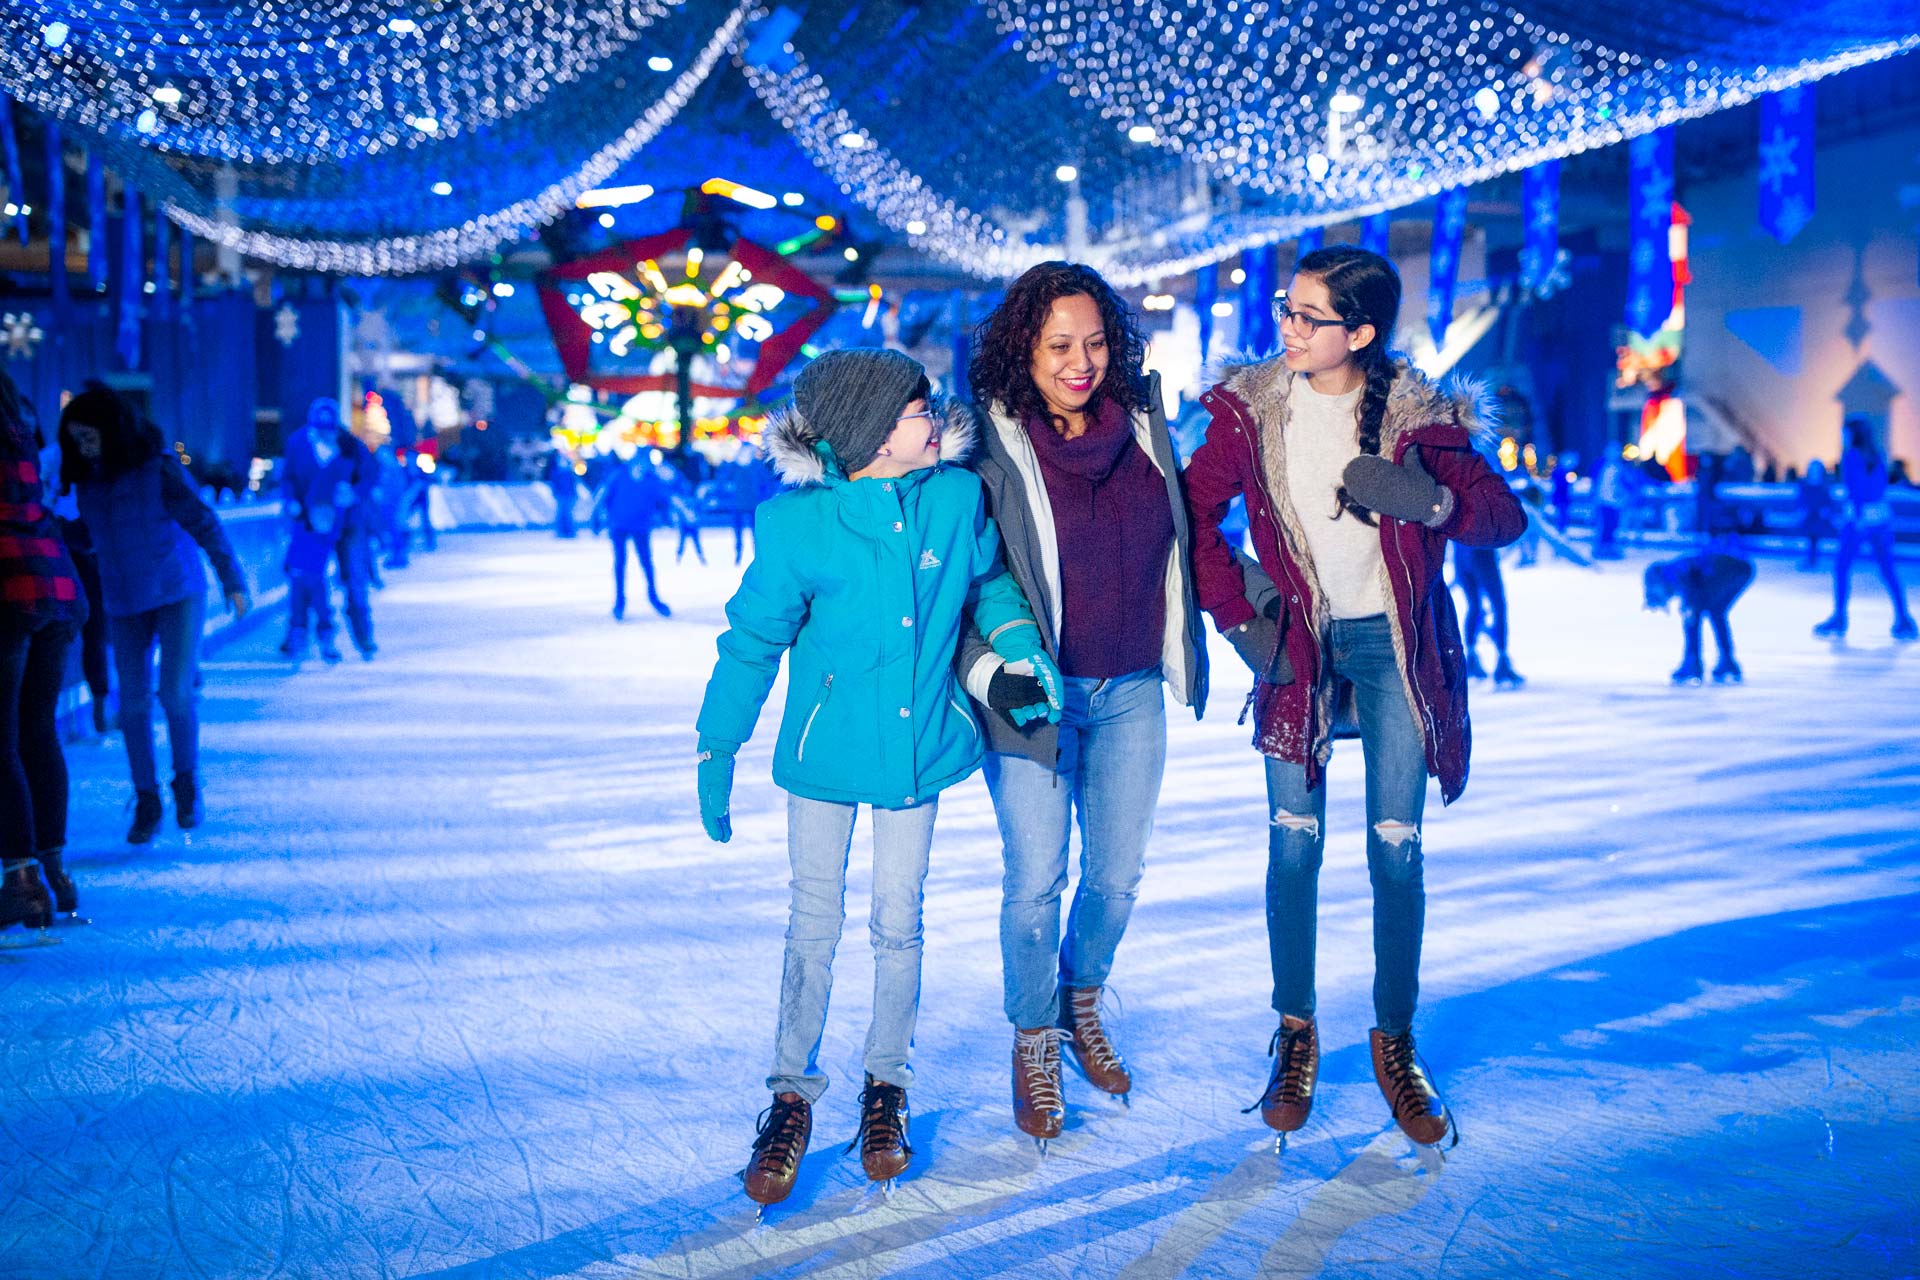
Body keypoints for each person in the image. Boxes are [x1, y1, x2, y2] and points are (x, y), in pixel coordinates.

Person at [694, 349, 1061, 1214]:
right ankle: (791, 1098)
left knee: (900, 925)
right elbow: (751, 641)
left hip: (920, 751)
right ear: (868, 434)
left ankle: (884, 1086)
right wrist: (718, 746)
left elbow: (989, 587)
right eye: (915, 409)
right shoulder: (800, 527)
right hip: (823, 760)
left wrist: (1017, 643)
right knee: (813, 924)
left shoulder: (954, 498)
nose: (934, 417)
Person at [1183, 245, 1526, 1152]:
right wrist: (1241, 617)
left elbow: (1503, 516)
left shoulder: (1421, 418)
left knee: (1396, 854)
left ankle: (1395, 1039)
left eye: (1309, 317)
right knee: (1294, 850)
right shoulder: (1248, 413)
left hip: (1396, 651)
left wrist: (1431, 501)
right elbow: (1192, 517)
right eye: (1286, 311)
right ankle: (1295, 1033)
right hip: (1298, 644)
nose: (1287, 329)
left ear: (1361, 333)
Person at [959, 260, 1214, 1148]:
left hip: (1133, 686)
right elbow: (968, 578)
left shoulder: (1146, 428)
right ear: (1020, 350)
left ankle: (1080, 1000)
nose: (1081, 361)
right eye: (1059, 345)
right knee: (1036, 879)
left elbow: (1194, 542)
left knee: (1116, 874)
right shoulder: (988, 448)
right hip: (1036, 697)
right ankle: (1034, 1037)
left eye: (1096, 342)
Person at [58, 386, 252, 843]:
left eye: (90, 437)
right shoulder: (88, 480)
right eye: (77, 440)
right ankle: (146, 798)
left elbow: (204, 521)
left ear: (112, 429)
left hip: (176, 590)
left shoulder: (157, 469)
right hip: (123, 599)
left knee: (175, 693)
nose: (85, 448)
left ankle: (186, 784)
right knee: (132, 705)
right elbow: (90, 536)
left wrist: (233, 580)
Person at [1, 368, 89, 936]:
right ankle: (55, 876)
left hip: (8, 584)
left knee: (0, 738)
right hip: (53, 582)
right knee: (36, 730)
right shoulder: (17, 413)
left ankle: (20, 882)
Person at [279, 399, 376, 661]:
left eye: (330, 428)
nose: (326, 433)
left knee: (354, 581)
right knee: (307, 577)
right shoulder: (298, 443)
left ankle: (363, 635)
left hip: (348, 523)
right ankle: (300, 632)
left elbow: (368, 476)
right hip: (313, 523)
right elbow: (287, 477)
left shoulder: (349, 444)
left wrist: (354, 493)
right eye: (321, 429)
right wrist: (291, 502)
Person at [36, 412, 113, 732]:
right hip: (65, 551)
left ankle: (100, 702)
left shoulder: (106, 463)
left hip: (85, 553)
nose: (82, 443)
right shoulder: (52, 459)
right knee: (84, 629)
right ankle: (97, 704)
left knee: (95, 629)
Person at [1814, 417, 1916, 640]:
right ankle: (1904, 617)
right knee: (1888, 569)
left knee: (1841, 567)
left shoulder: (1851, 456)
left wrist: (1857, 516)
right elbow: (1879, 486)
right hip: (1880, 517)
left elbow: (1856, 488)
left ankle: (1839, 616)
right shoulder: (1877, 455)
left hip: (1859, 517)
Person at [1644, 545, 1755, 684]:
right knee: (1714, 611)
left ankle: (1694, 662)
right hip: (1740, 569)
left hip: (1728, 570)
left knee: (1693, 613)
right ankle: (1726, 661)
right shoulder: (1671, 570)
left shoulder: (1670, 571)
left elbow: (1689, 586)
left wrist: (1689, 608)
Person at [590, 452, 672, 620]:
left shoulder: (652, 480)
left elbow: (666, 500)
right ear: (634, 463)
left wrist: (669, 516)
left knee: (646, 563)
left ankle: (654, 598)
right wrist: (595, 518)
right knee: (620, 563)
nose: (642, 467)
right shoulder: (619, 476)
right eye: (640, 463)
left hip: (641, 527)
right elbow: (602, 495)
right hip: (618, 525)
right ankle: (619, 603)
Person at [1796, 457, 1832, 570]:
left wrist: (1826, 510)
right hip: (1808, 515)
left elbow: (1827, 500)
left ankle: (1813, 559)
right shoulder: (1804, 484)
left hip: (1818, 516)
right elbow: (1801, 499)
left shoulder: (1824, 485)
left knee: (1815, 537)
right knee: (1809, 537)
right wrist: (1802, 510)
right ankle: (1810, 558)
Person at [545, 448, 579, 539]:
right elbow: (554, 484)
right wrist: (555, 493)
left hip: (568, 495)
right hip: (562, 495)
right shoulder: (556, 472)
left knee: (567, 514)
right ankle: (562, 531)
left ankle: (569, 531)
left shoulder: (568, 472)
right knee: (562, 514)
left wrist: (574, 494)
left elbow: (572, 484)